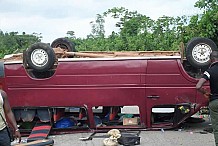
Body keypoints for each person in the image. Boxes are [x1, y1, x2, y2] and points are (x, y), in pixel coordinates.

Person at [196, 50, 218, 146]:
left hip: (215, 101)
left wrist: (205, 93)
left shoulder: (209, 71)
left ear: (210, 60)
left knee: (216, 128)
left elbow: (198, 86)